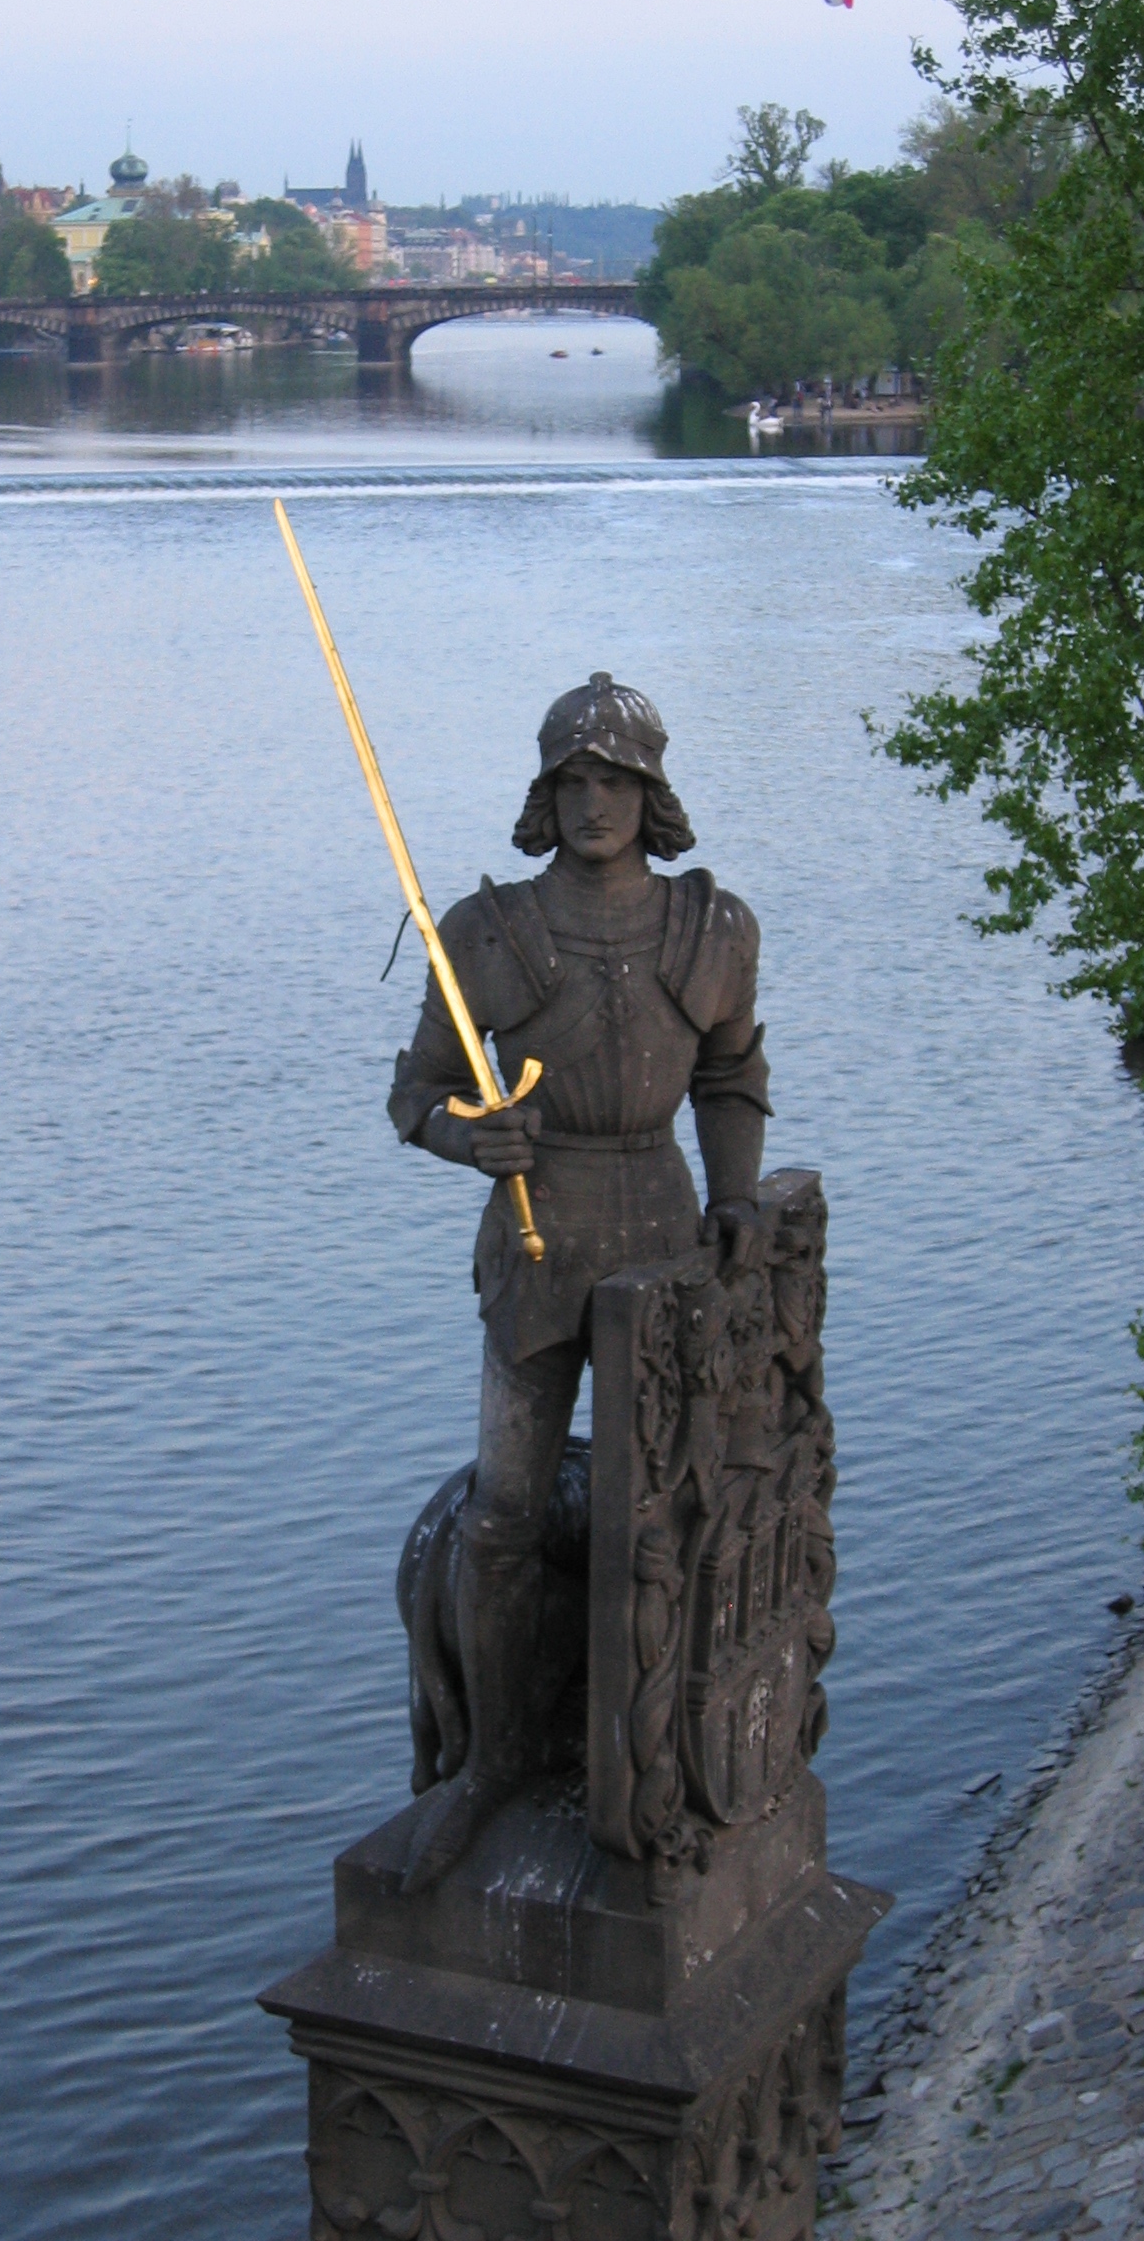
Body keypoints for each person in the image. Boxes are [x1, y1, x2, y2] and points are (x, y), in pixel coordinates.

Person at [387, 672, 771, 1888]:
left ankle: (650, 1756)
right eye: (573, 780)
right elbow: (416, 1095)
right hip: (537, 1239)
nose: (594, 801)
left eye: (616, 780)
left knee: (656, 1514)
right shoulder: (490, 932)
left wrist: (734, 1202)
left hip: (659, 1237)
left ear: (651, 794)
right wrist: (471, 1135)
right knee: (503, 1516)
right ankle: (494, 1762)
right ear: (543, 796)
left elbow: (729, 1074)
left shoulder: (710, 928)